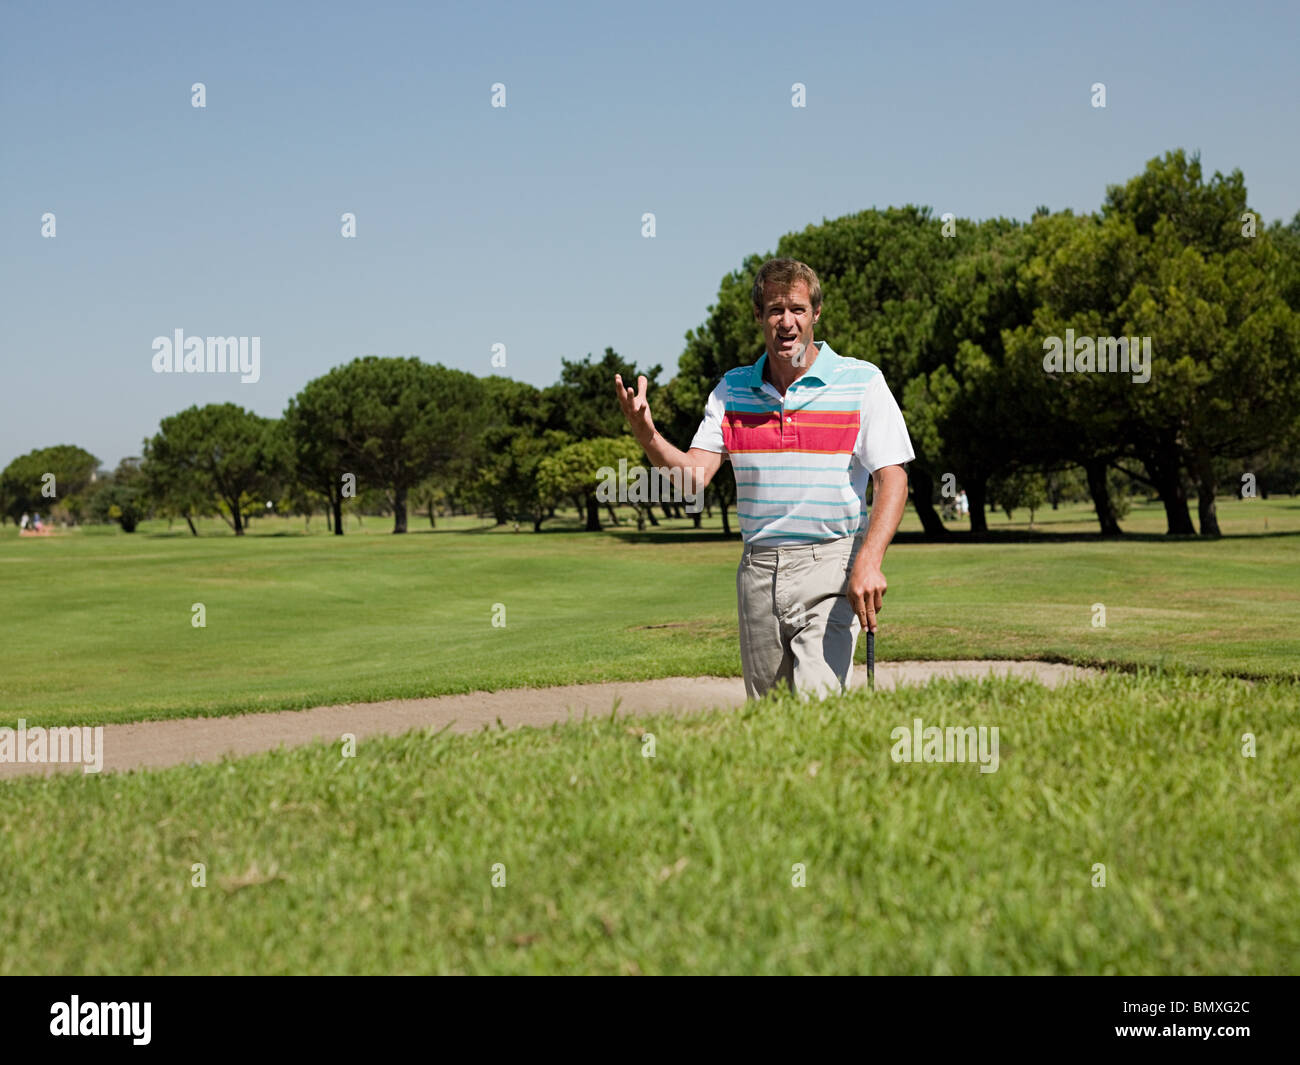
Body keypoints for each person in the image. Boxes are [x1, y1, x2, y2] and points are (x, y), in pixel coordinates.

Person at [615, 258, 914, 699]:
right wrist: (648, 434)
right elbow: (692, 479)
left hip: (832, 566)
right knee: (771, 722)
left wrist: (869, 560)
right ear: (759, 316)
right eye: (775, 309)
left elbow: (892, 477)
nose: (786, 322)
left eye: (797, 308)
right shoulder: (731, 390)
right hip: (758, 572)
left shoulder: (861, 382)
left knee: (818, 706)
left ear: (816, 313)